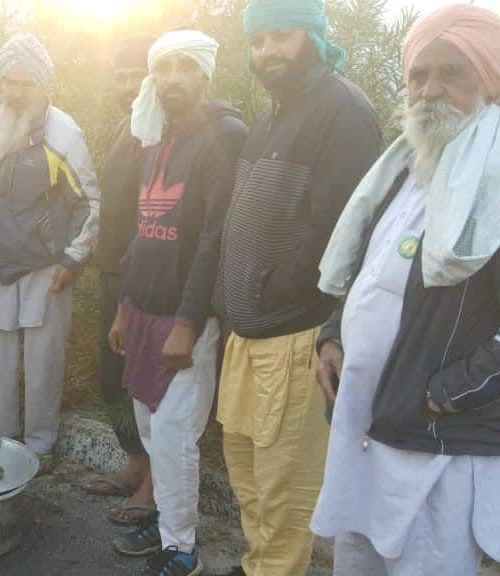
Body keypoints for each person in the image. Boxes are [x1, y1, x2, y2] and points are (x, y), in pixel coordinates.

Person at [311, 5, 500, 574]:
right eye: (419, 74)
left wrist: (444, 395)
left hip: (442, 445)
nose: (429, 89)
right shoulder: (405, 168)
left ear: (490, 81)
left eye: (452, 72)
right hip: (366, 426)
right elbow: (370, 272)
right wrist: (330, 336)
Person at [212, 0, 382, 573]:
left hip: (294, 333)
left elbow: (338, 235)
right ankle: (257, 564)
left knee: (286, 493)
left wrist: (271, 287)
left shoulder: (344, 112)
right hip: (245, 332)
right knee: (247, 473)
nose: (267, 52)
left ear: (313, 34)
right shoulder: (271, 116)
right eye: (258, 41)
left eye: (281, 37)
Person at [106, 30, 247, 574]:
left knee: (173, 438)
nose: (172, 80)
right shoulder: (156, 133)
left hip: (183, 317)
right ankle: (166, 517)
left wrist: (189, 322)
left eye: (185, 67)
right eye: (163, 69)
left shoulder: (225, 136)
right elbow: (143, 231)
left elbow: (214, 238)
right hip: (143, 308)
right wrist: (124, 304)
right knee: (148, 428)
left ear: (206, 75)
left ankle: (181, 547)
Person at [0, 33, 100, 473]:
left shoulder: (64, 132)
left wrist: (72, 260)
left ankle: (39, 449)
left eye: (24, 83)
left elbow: (89, 203)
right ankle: (2, 446)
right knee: (1, 363)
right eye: (8, 81)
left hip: (46, 270)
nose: (14, 91)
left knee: (43, 364)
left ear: (43, 85)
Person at [82, 35, 156, 519]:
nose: (128, 87)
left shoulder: (163, 136)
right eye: (121, 78)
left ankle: (154, 487)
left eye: (137, 77)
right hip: (113, 272)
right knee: (113, 377)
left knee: (149, 386)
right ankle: (135, 462)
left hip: (147, 279)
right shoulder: (126, 130)